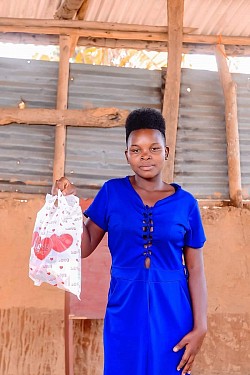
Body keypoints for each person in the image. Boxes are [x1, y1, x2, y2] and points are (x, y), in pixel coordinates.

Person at [52, 108, 207, 375]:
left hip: (173, 308)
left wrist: (201, 326)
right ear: (127, 156)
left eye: (154, 148)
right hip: (124, 305)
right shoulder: (112, 192)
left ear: (166, 152)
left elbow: (195, 270)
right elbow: (85, 245)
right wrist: (68, 205)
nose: (145, 156)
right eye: (136, 150)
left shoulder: (186, 203)